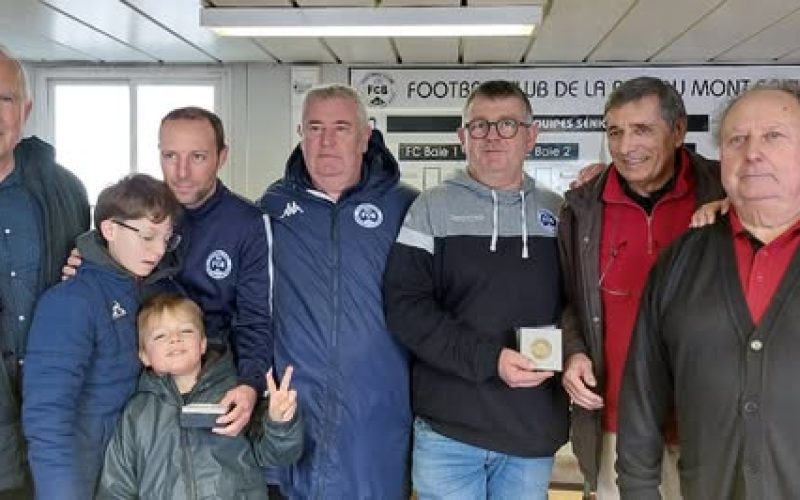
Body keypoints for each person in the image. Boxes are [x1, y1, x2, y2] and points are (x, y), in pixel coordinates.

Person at [383, 80, 568, 499]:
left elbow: (578, 309)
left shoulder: (560, 213)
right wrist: (490, 359)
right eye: (479, 126)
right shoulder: (429, 210)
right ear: (462, 136)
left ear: (531, 135)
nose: (492, 137)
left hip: (529, 432)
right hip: (449, 433)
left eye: (507, 125)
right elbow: (405, 308)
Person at [616, 81, 800, 499]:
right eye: (737, 139)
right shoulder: (681, 260)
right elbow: (643, 396)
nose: (752, 153)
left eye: (774, 136)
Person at [558, 76, 725, 498]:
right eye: (615, 132)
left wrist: (737, 203)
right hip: (616, 424)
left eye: (642, 130)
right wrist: (574, 350)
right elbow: (568, 299)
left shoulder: (727, 191)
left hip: (712, 424)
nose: (626, 145)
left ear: (679, 130)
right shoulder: (582, 207)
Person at [258, 84, 418, 498]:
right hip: (295, 411)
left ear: (366, 136)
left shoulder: (406, 208)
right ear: (301, 133)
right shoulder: (272, 208)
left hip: (379, 412)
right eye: (315, 128)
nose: (326, 141)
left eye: (341, 128)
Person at [22, 174, 182, 500]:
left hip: (136, 476)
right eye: (148, 236)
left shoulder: (151, 293)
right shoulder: (70, 302)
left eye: (167, 238)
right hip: (87, 478)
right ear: (110, 230)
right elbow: (48, 419)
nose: (159, 250)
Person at [96, 293, 303, 498]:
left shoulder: (236, 395)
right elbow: (117, 487)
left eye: (186, 331)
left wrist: (280, 423)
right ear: (144, 356)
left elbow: (278, 456)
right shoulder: (137, 412)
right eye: (160, 336)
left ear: (203, 344)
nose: (175, 339)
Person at [0, 46, 90, 499]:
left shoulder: (64, 189)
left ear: (26, 110)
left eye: (4, 99)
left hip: (53, 401)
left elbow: (92, 285)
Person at [158, 107, 273, 437]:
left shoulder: (247, 223)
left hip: (216, 383)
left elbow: (256, 319)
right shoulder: (141, 212)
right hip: (145, 383)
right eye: (170, 156)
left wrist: (251, 385)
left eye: (197, 156)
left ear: (222, 157)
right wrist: (87, 253)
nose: (181, 172)